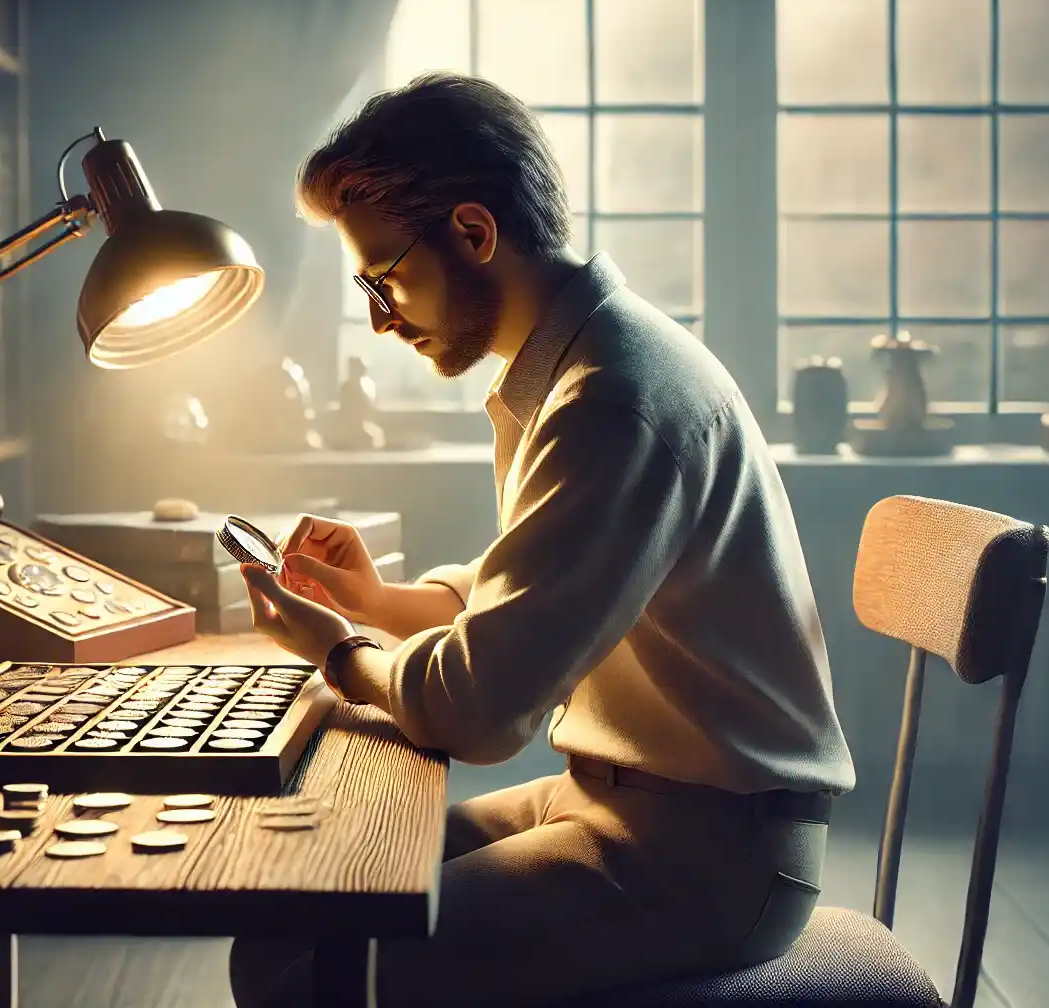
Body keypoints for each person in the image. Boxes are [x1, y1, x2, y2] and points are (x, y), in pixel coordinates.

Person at [229, 73, 856, 1007]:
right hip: (624, 805)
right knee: (289, 917)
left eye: (386, 276)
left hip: (710, 859)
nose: (378, 316)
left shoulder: (613, 399)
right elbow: (535, 588)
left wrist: (341, 653)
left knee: (310, 974)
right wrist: (373, 603)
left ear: (474, 234)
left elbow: (480, 711)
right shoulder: (583, 361)